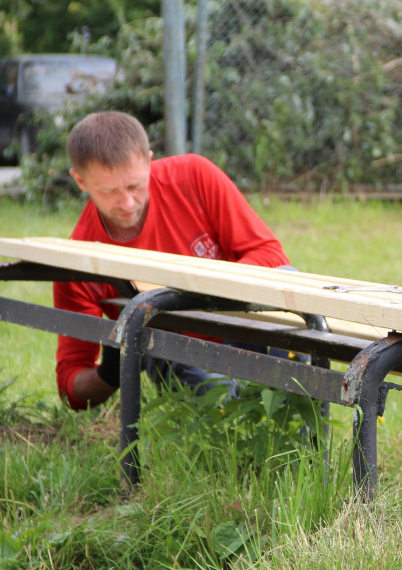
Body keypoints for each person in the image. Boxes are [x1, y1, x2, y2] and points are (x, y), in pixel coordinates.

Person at [55, 111, 292, 411]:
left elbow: (272, 256)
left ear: (149, 161)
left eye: (135, 185)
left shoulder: (193, 177)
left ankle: (297, 431)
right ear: (79, 180)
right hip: (179, 356)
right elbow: (71, 385)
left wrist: (195, 291)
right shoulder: (81, 258)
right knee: (223, 403)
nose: (127, 203)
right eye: (108, 191)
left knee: (289, 281)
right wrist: (110, 372)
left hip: (245, 323)